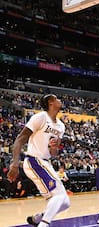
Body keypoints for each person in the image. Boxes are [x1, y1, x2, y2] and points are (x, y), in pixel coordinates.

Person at [7, 94, 70, 227]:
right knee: (59, 196)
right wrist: (14, 163)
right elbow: (19, 140)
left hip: (45, 162)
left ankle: (38, 218)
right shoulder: (40, 117)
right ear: (51, 102)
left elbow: (54, 153)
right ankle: (44, 224)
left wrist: (54, 147)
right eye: (57, 99)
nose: (60, 101)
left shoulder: (61, 126)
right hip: (34, 160)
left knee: (64, 203)